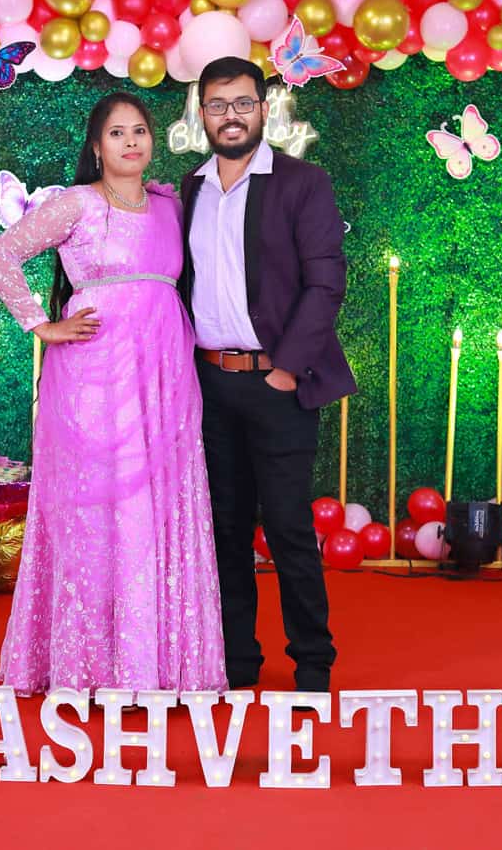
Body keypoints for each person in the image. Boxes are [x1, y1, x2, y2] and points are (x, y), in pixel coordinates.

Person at [0, 92, 227, 695]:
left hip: (166, 373)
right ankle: (88, 669)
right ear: (96, 146)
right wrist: (42, 325)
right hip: (94, 378)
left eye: (140, 131)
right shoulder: (76, 204)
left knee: (163, 503)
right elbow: (1, 252)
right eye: (117, 134)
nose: (131, 143)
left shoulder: (170, 204)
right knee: (97, 512)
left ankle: (161, 666)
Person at [180, 57, 356, 693]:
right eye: (218, 104)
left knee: (285, 526)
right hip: (209, 386)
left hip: (278, 383)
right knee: (224, 528)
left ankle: (312, 662)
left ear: (264, 108)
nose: (231, 115)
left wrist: (286, 370)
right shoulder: (188, 188)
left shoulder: (302, 183)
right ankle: (237, 663)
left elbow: (326, 281)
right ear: (201, 113)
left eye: (243, 102)